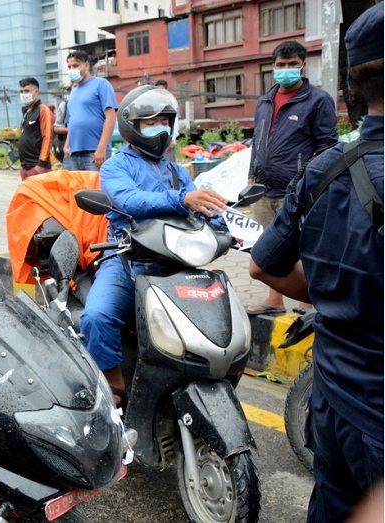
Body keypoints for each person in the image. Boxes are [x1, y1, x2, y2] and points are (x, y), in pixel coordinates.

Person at [249, 5, 383, 522]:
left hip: (331, 401)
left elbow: (263, 264)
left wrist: (335, 294)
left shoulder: (326, 168)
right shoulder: (270, 105)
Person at [80, 86, 227, 402]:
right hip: (126, 260)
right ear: (133, 125)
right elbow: (129, 200)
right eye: (150, 122)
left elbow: (200, 207)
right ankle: (115, 384)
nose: (159, 127)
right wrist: (183, 199)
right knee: (97, 317)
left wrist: (221, 224)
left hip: (174, 261)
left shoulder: (178, 171)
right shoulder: (117, 166)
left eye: (164, 120)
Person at [246, 40, 337, 315]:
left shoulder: (318, 100)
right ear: (272, 67)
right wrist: (251, 176)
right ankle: (274, 300)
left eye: (292, 65)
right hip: (263, 188)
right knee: (267, 245)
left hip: (298, 190)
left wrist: (312, 183)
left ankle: (308, 303)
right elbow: (257, 141)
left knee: (304, 246)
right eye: (280, 65)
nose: (286, 70)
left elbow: (327, 146)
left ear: (302, 65)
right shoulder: (265, 101)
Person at [63, 50, 118, 171]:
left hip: (94, 152)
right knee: (75, 189)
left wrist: (101, 148)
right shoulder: (73, 91)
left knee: (95, 189)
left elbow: (111, 117)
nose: (72, 69)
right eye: (69, 66)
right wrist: (66, 146)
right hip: (73, 153)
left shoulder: (101, 84)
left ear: (86, 65)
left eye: (76, 65)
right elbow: (71, 121)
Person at [17, 77, 54, 179]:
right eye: (21, 91)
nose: (24, 94)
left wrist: (41, 164)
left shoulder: (43, 110)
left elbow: (47, 137)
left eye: (27, 91)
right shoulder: (26, 112)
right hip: (25, 166)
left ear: (36, 92)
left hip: (38, 167)